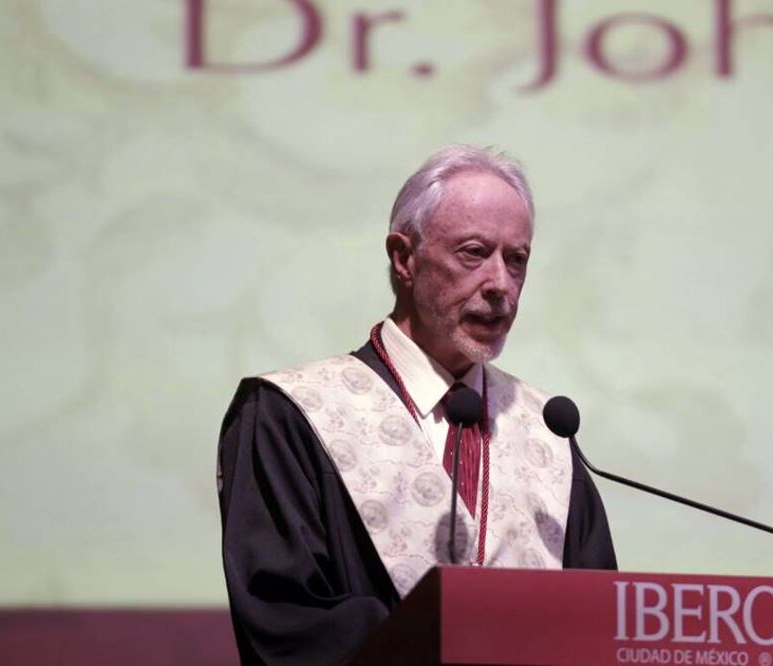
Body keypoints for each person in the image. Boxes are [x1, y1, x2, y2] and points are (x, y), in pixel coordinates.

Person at [216, 145, 616, 665]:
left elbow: (599, 623)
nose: (500, 285)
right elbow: (285, 617)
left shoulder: (549, 434)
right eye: (474, 252)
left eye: (516, 260)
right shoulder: (291, 414)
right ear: (404, 259)